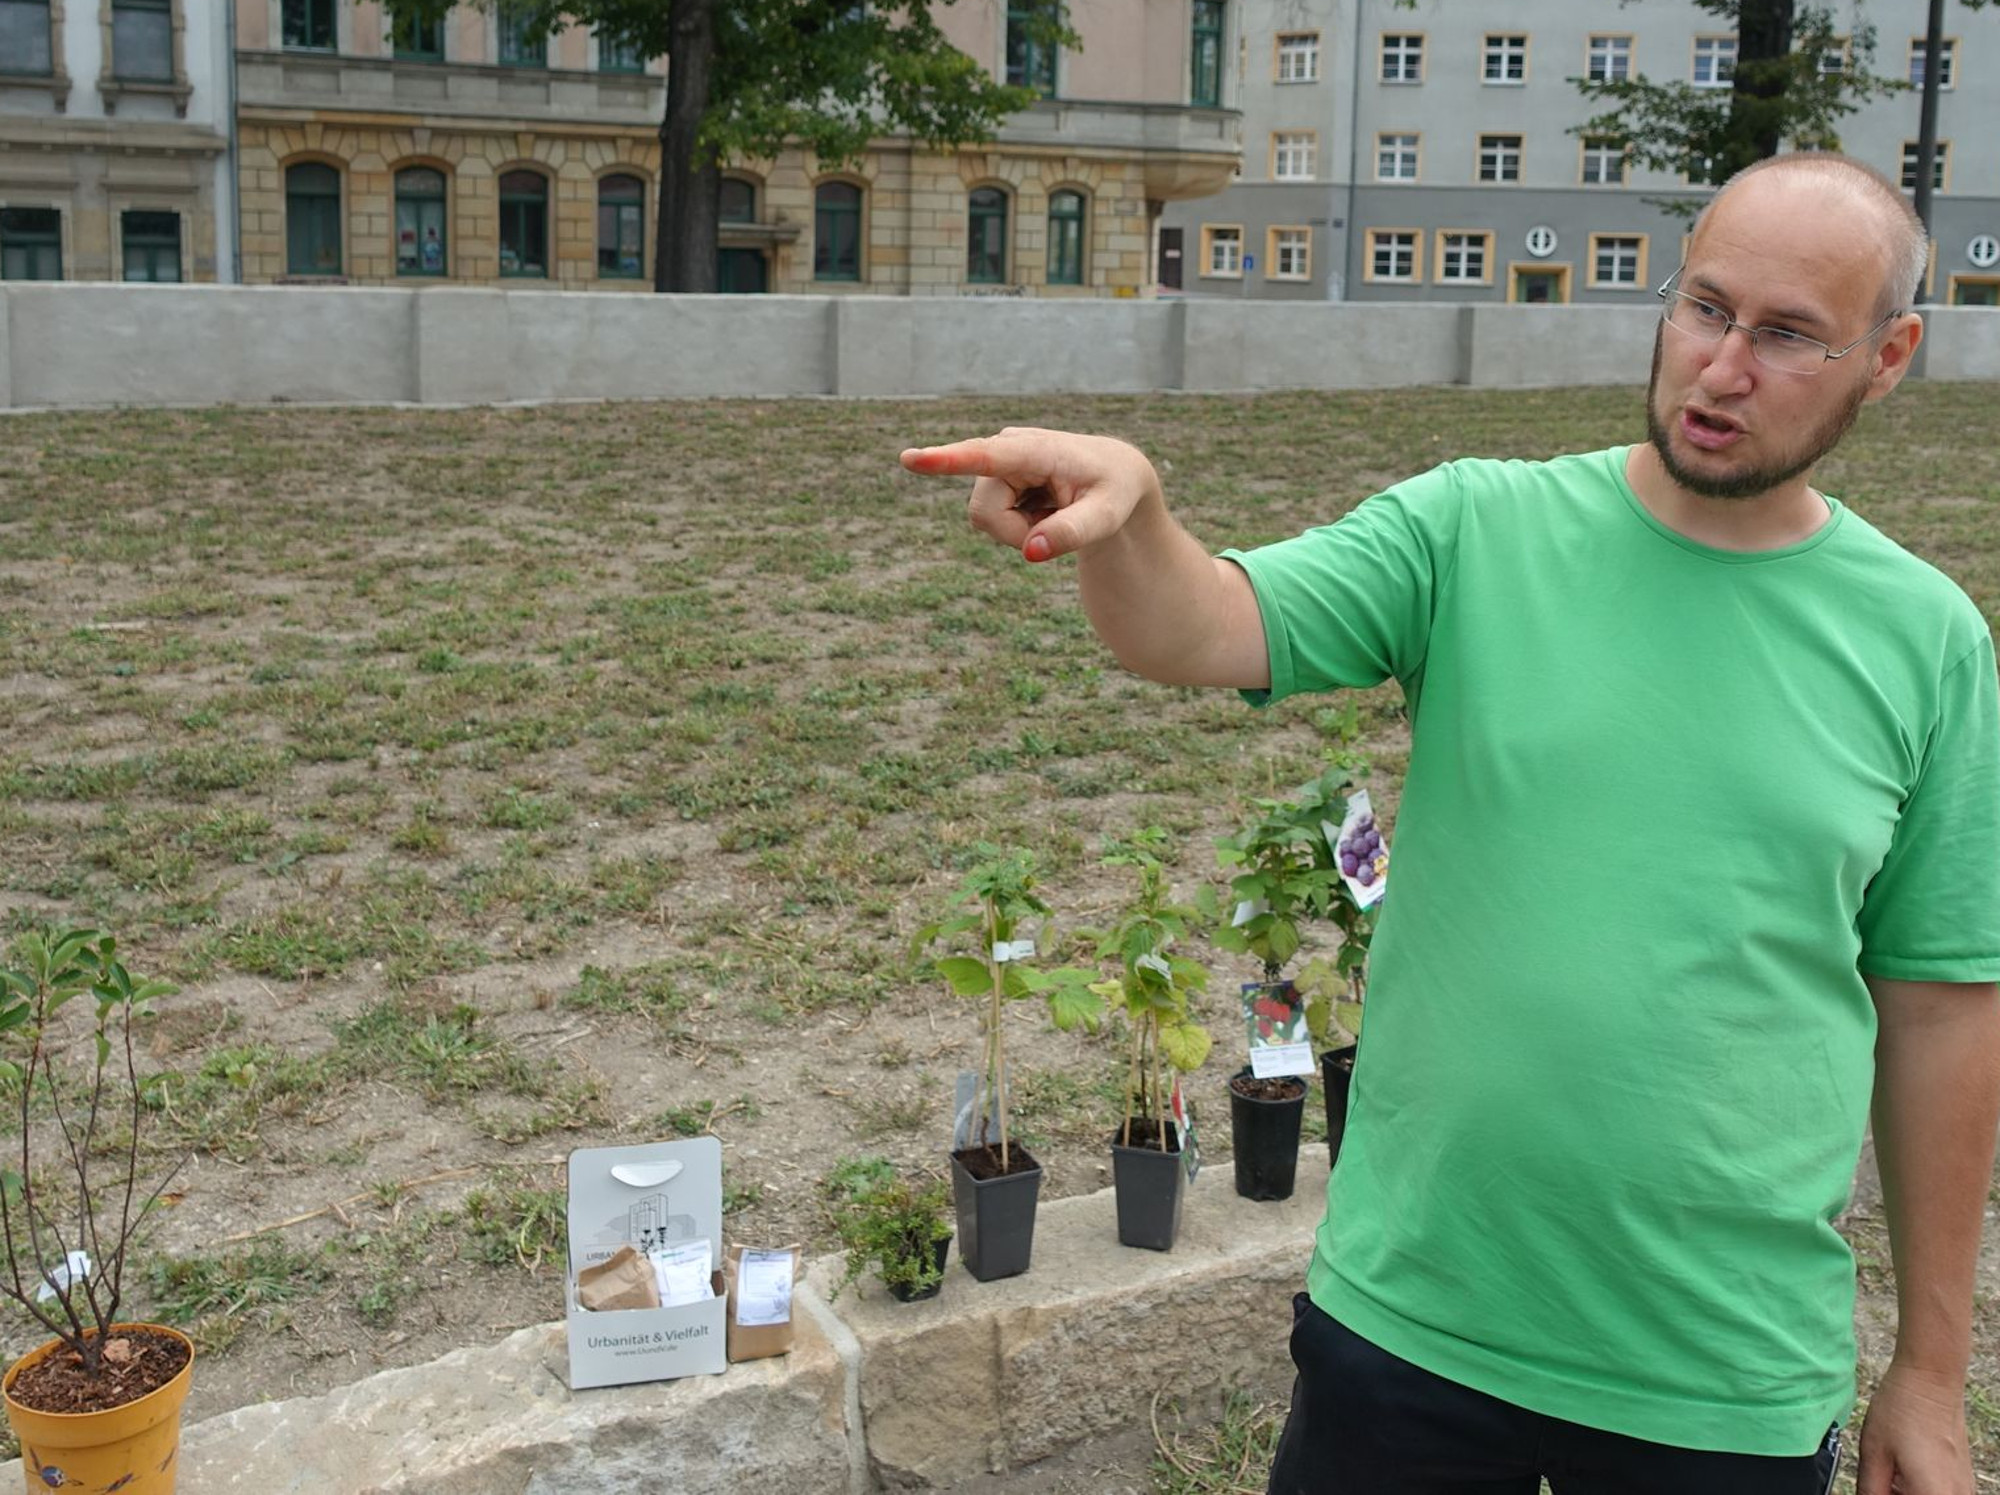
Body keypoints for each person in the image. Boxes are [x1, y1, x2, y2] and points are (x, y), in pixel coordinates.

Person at [901, 153, 2000, 1495]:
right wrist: (1130, 514)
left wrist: (1929, 1371)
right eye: (1705, 308)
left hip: (1720, 1374)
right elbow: (1202, 626)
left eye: (1786, 336)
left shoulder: (1925, 642)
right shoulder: (1477, 527)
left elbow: (1943, 1012)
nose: (1720, 369)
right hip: (1410, 1324)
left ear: (1887, 360)